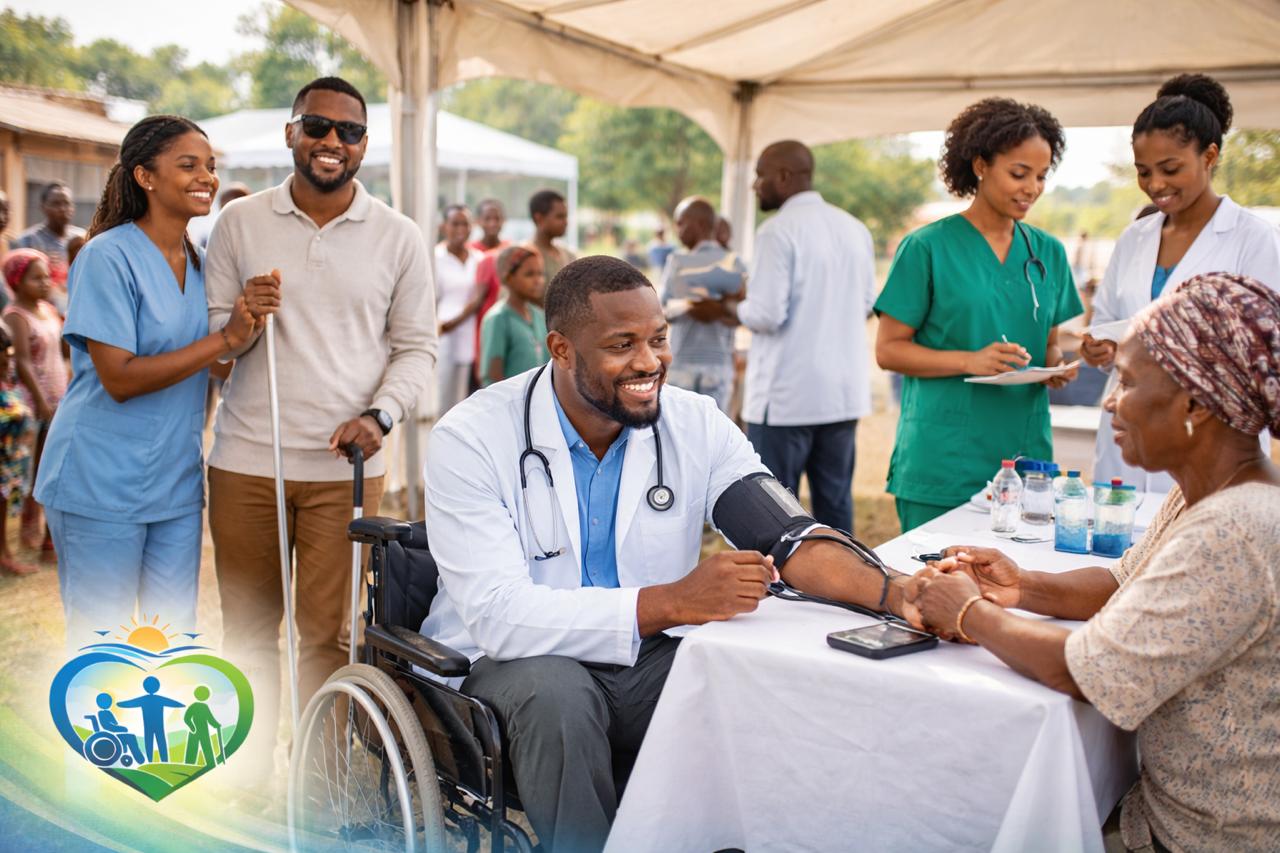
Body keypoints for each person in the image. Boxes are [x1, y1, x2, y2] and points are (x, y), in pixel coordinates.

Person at [421, 255, 919, 852]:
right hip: (510, 663)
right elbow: (498, 616)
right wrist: (672, 602)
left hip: (640, 657)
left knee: (747, 679)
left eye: (658, 339)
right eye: (622, 345)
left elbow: (788, 537)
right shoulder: (471, 437)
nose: (649, 362)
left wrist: (900, 592)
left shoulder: (693, 423)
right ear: (561, 349)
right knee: (559, 698)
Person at [907, 273, 1280, 853]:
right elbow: (1124, 582)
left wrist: (969, 613)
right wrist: (1021, 587)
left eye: (1126, 382)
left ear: (1195, 404)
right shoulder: (1209, 492)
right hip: (1160, 812)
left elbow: (1087, 673)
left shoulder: (1233, 529)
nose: (1108, 402)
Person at [204, 77, 435, 785]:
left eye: (350, 131)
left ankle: (321, 783)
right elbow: (216, 352)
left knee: (328, 636)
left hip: (346, 467)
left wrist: (380, 415)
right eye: (317, 126)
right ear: (291, 133)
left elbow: (416, 348)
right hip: (248, 460)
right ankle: (247, 775)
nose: (333, 141)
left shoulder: (398, 235)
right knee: (248, 631)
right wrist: (244, 317)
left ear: (364, 145)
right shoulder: (239, 222)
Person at [33, 115, 261, 647]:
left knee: (174, 642)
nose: (206, 177)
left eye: (210, 166)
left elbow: (218, 367)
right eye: (188, 165)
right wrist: (224, 338)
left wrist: (249, 324)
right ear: (145, 176)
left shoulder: (205, 266)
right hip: (98, 481)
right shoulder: (106, 256)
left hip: (174, 484)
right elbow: (119, 377)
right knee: (102, 645)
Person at [874, 99, 1082, 532]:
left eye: (1041, 176)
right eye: (1019, 174)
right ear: (981, 165)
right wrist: (969, 360)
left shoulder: (1048, 252)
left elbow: (1048, 345)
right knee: (932, 572)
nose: (1032, 188)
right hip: (945, 458)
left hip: (1025, 458)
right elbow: (889, 351)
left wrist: (1057, 367)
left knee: (1020, 574)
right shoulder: (927, 248)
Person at [1081, 74, 1280, 491]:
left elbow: (1262, 351)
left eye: (1171, 169)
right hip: (1129, 435)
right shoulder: (1134, 238)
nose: (1156, 185)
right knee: (1123, 530)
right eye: (1143, 172)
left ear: (1209, 156)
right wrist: (1102, 349)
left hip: (1212, 446)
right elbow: (1105, 321)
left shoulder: (1253, 238)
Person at [690, 140, 877, 533]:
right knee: (835, 505)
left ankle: (784, 576)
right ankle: (842, 572)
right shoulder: (855, 228)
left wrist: (725, 309)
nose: (755, 185)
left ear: (784, 176)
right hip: (842, 396)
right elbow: (866, 305)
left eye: (760, 176)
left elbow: (766, 314)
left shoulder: (777, 231)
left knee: (775, 513)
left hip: (787, 398)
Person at [2, 249, 67, 557]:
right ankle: (27, 525)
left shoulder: (49, 310)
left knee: (48, 464)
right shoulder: (15, 316)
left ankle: (39, 524)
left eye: (46, 277)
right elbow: (23, 362)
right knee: (27, 466)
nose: (44, 283)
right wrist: (40, 399)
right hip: (30, 402)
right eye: (35, 278)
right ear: (16, 281)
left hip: (57, 397)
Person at [659, 196, 745, 414]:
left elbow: (663, 311)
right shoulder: (734, 262)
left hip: (682, 362)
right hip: (719, 365)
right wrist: (718, 306)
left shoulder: (677, 262)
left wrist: (690, 304)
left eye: (680, 223)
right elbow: (742, 314)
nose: (677, 230)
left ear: (698, 224)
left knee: (678, 431)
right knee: (715, 431)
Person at [435, 203, 486, 414]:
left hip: (472, 334)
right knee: (443, 396)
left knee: (467, 400)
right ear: (444, 227)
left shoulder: (479, 259)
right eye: (455, 224)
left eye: (465, 224)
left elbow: (481, 298)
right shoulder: (435, 258)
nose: (461, 229)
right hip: (443, 335)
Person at [479, 242, 547, 386]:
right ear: (508, 278)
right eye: (529, 274)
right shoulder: (498, 319)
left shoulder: (539, 316)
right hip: (511, 398)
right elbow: (492, 376)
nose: (538, 280)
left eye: (540, 274)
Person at [12, 182, 85, 315]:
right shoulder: (28, 240)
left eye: (66, 203)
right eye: (56, 204)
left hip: (76, 309)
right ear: (43, 207)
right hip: (40, 312)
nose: (62, 208)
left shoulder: (82, 238)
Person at [0, 325, 34, 576]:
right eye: (4, 357)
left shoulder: (7, 384)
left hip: (8, 463)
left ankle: (5, 554)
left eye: (9, 356)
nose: (8, 362)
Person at [469, 199, 511, 388]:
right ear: (479, 221)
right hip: (480, 323)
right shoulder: (471, 252)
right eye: (487, 218)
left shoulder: (510, 251)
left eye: (497, 218)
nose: (493, 223)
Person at [118, 675, 184, 763]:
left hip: (149, 726)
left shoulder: (144, 699)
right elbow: (172, 703)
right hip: (158, 726)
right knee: (160, 742)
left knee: (150, 742)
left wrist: (120, 704)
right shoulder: (159, 699)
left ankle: (151, 761)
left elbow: (130, 703)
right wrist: (182, 705)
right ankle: (164, 761)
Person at [530, 189, 576, 286]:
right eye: (560, 217)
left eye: (566, 216)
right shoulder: (525, 257)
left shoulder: (569, 255)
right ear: (539, 218)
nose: (566, 222)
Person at [183, 685, 222, 767]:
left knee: (207, 747)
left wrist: (216, 725)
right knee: (192, 748)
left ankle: (211, 764)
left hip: (203, 731)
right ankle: (188, 765)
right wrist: (192, 727)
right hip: (195, 732)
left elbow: (210, 718)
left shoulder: (204, 707)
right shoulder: (194, 706)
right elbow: (187, 718)